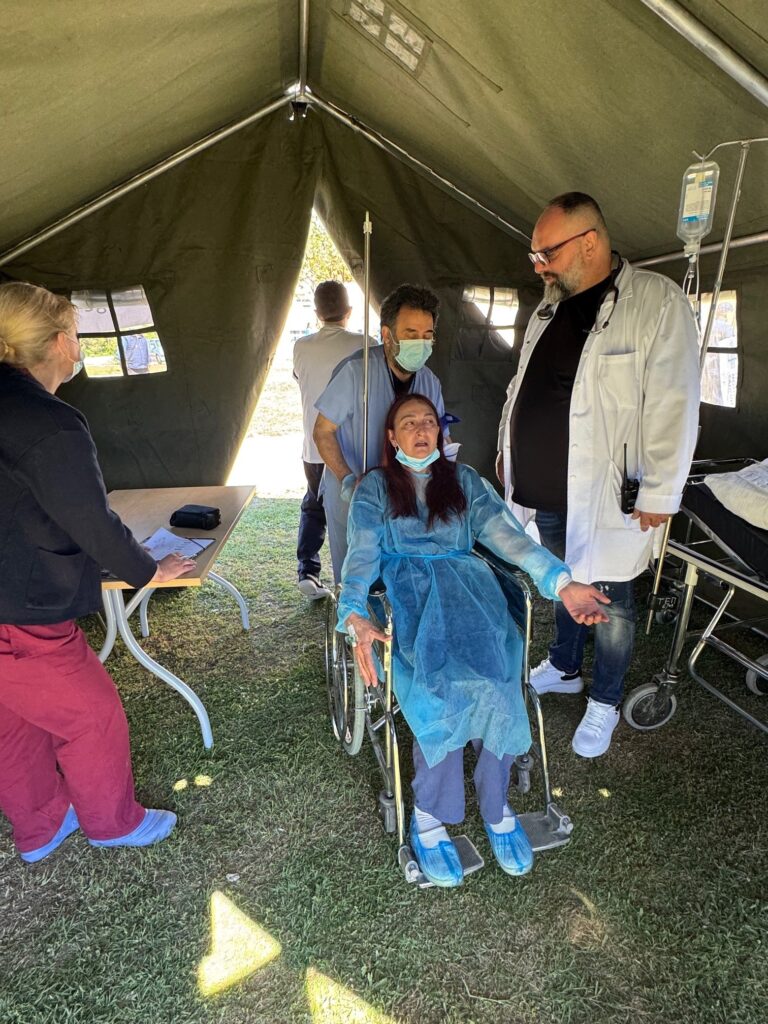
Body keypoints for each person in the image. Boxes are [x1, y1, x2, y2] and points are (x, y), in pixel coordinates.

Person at [338, 394, 609, 887]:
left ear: (440, 433)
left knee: (500, 681)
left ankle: (496, 804)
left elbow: (510, 538)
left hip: (472, 599)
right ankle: (429, 815)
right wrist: (354, 611)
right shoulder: (374, 488)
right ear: (392, 437)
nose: (421, 430)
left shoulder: (464, 482)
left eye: (429, 422)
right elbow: (361, 554)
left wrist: (561, 582)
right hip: (410, 599)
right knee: (437, 690)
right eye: (409, 423)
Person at [496, 192, 700, 758]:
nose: (539, 267)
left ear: (589, 242)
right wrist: (508, 448)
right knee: (563, 579)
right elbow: (520, 386)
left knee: (610, 599)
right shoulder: (547, 308)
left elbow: (675, 402)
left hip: (611, 492)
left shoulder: (654, 301)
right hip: (545, 487)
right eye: (535, 255)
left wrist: (661, 489)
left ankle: (605, 699)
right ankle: (564, 666)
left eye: (547, 254)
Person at [0, 281, 196, 864]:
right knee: (93, 715)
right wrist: (148, 569)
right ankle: (112, 823)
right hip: (22, 608)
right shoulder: (50, 422)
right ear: (61, 342)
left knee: (12, 719)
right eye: (78, 334)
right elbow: (91, 520)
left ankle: (40, 826)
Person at [314, 284, 446, 582]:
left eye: (427, 335)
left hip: (408, 496)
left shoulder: (430, 382)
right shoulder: (355, 372)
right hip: (353, 491)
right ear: (387, 335)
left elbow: (441, 437)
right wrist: (347, 479)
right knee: (357, 576)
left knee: (403, 578)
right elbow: (322, 432)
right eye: (411, 334)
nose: (421, 343)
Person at [292, 281, 367, 600]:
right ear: (349, 312)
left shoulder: (301, 346)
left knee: (314, 505)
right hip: (354, 447)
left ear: (317, 313)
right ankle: (358, 573)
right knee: (356, 510)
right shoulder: (366, 343)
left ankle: (308, 570)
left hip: (314, 447)